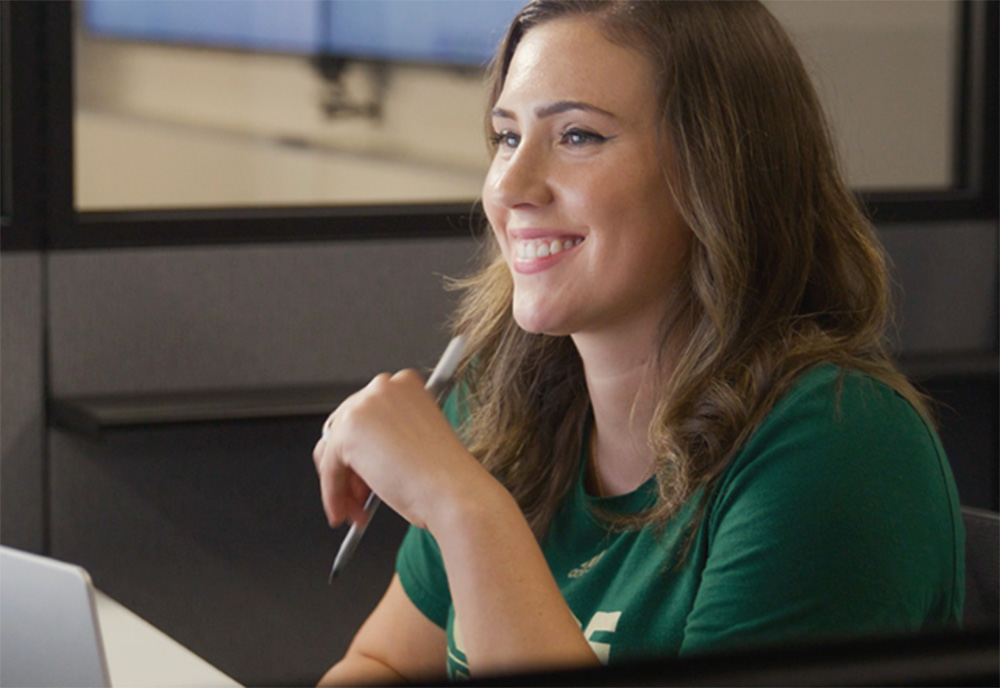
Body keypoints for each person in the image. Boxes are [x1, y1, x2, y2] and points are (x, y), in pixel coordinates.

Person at [312, 0, 965, 683]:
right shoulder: (502, 404)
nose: (507, 187)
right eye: (507, 137)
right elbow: (383, 662)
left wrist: (463, 508)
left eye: (577, 136)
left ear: (718, 171)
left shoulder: (837, 444)